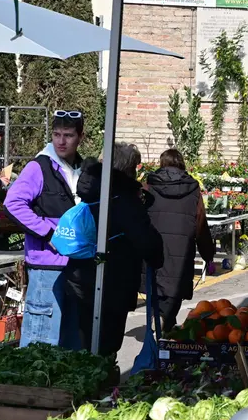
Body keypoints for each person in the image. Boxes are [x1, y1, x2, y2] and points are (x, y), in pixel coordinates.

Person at [70, 143, 164, 356]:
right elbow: (149, 244)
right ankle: (101, 387)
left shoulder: (89, 189)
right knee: (106, 349)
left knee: (82, 346)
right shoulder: (123, 198)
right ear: (129, 169)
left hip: (79, 280)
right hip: (113, 282)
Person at [4, 110, 87, 348]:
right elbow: (13, 204)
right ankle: (32, 386)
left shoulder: (81, 168)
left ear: (80, 136)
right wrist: (48, 233)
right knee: (41, 340)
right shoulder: (38, 167)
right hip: (45, 265)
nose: (61, 141)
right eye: (56, 134)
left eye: (68, 135)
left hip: (75, 263)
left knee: (69, 336)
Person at [142, 149, 215, 332]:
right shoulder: (193, 189)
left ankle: (160, 322)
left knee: (157, 289)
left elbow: (138, 218)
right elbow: (200, 223)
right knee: (174, 291)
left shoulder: (148, 186)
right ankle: (164, 324)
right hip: (181, 252)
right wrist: (208, 253)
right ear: (182, 164)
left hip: (154, 249)